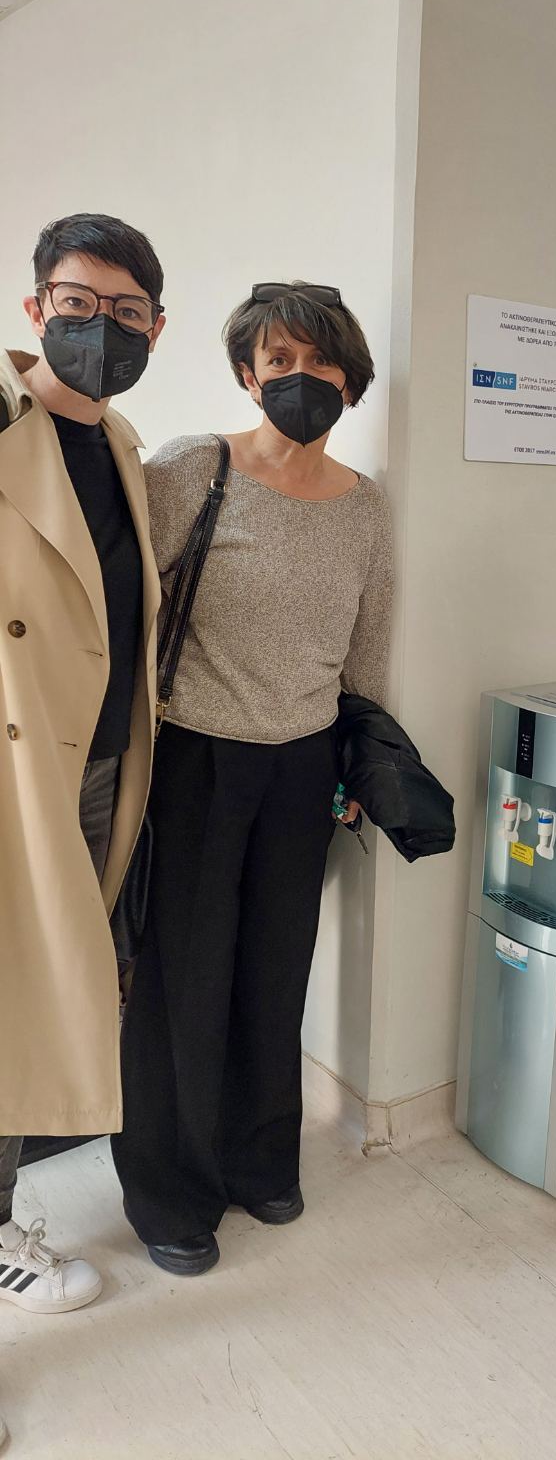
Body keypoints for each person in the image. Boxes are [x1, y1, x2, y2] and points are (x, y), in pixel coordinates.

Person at [112, 282, 394, 1278]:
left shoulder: (365, 505)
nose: (300, 379)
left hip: (304, 764)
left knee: (277, 971)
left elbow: (367, 645)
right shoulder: (195, 469)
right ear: (248, 372)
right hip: (196, 756)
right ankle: (169, 1190)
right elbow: (119, 599)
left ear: (350, 379)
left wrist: (358, 757)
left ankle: (260, 1158)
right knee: (182, 980)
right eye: (280, 361)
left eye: (320, 363)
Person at [0, 214, 167, 1438]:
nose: (98, 326)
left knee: (29, 1021)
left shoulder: (122, 445)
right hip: (14, 779)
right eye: (75, 301)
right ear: (32, 309)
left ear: (157, 327)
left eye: (125, 310)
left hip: (97, 771)